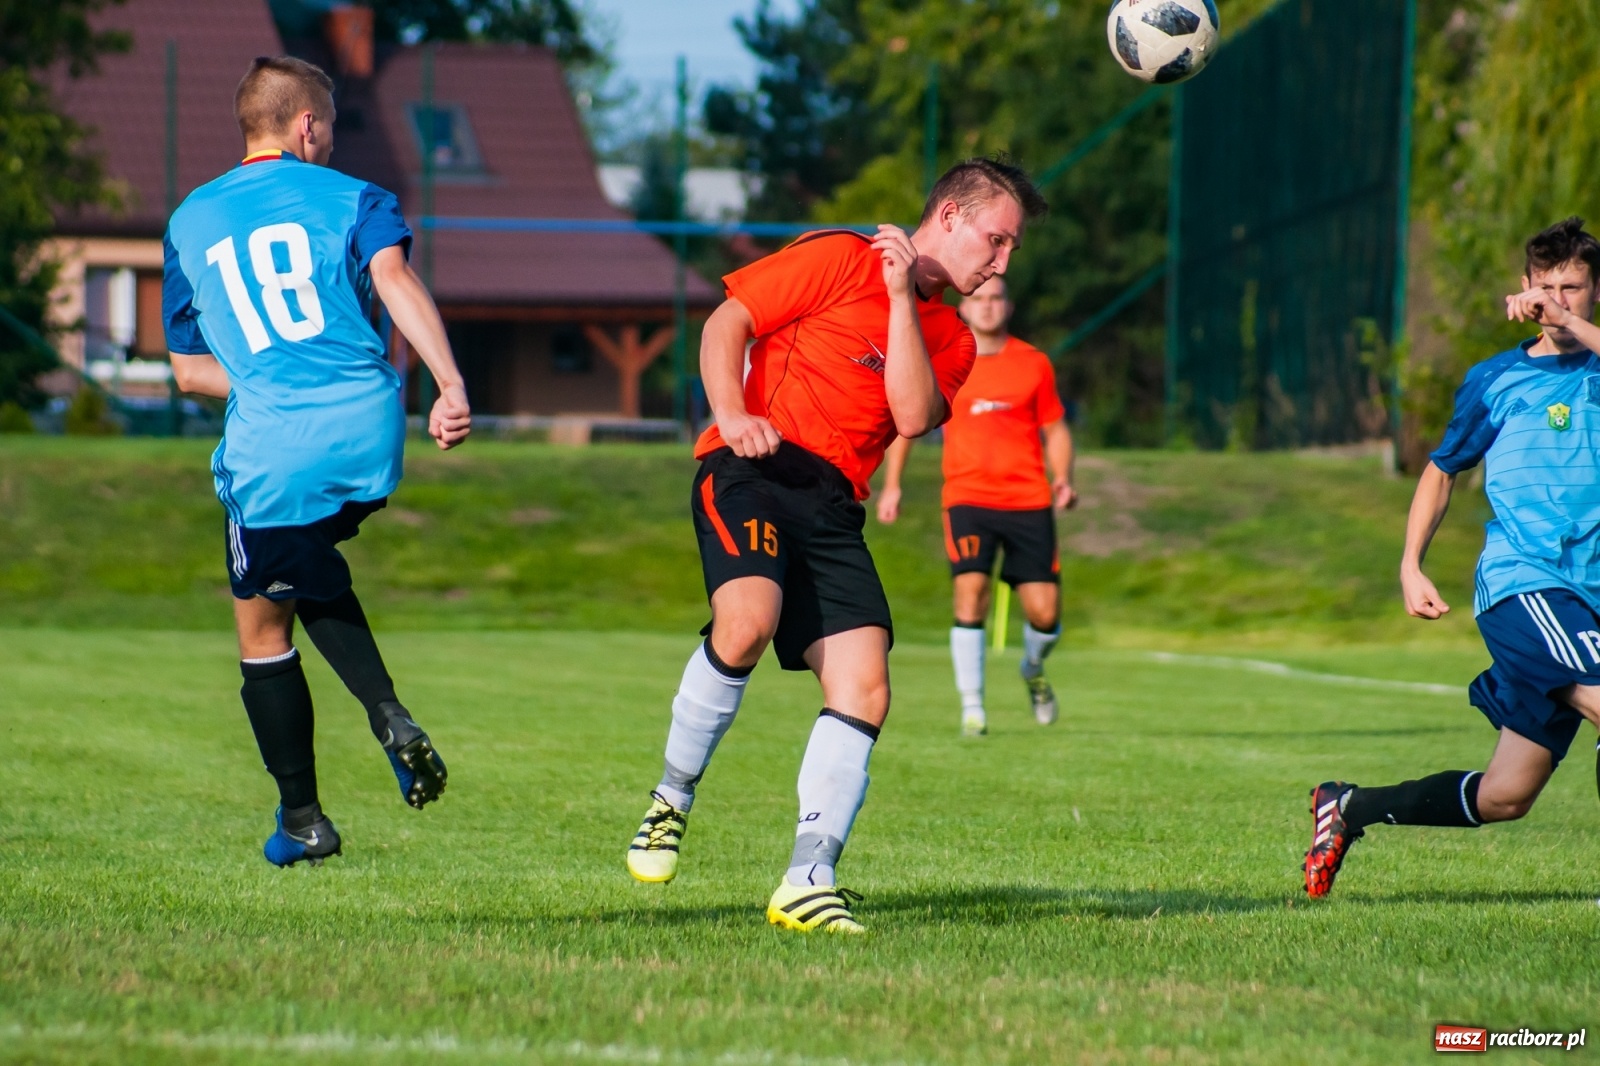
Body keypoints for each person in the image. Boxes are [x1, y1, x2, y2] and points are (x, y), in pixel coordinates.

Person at [625, 158, 1048, 933]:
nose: (1001, 263)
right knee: (746, 621)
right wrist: (730, 411)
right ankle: (670, 799)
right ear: (949, 216)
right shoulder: (835, 255)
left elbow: (913, 416)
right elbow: (728, 322)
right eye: (996, 239)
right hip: (750, 468)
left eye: (1012, 249)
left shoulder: (952, 336)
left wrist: (897, 299)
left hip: (831, 506)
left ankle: (806, 878)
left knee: (866, 685)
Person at [162, 56, 471, 868]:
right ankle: (378, 727)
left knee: (261, 620)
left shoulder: (189, 221)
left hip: (276, 444)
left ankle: (307, 811)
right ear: (307, 126)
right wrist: (448, 383)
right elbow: (395, 279)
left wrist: (271, 377)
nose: (331, 141)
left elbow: (191, 371)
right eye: (329, 125)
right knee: (296, 561)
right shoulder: (354, 197)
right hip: (372, 422)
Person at [1304, 217, 1600, 898]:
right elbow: (1441, 472)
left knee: (1504, 796)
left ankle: (1347, 807)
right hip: (1527, 587)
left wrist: (1571, 325)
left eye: (1575, 288)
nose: (1559, 299)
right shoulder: (1495, 380)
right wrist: (1411, 564)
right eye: (1547, 286)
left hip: (1592, 595)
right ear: (1523, 288)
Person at [876, 275, 1076, 736]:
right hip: (967, 498)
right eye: (978, 298)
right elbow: (908, 420)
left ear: (1008, 306)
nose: (987, 306)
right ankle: (973, 709)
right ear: (963, 308)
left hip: (1028, 500)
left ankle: (1032, 668)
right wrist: (893, 486)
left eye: (996, 298)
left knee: (1045, 615)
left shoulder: (1034, 363)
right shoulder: (945, 361)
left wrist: (1062, 478)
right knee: (970, 596)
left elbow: (1056, 429)